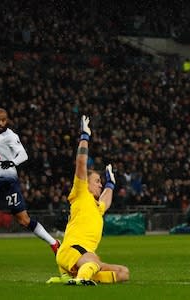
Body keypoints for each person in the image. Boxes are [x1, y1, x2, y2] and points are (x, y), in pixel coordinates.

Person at [47, 115, 129, 285]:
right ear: (87, 183)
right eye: (97, 182)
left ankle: (73, 278)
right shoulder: (80, 193)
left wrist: (111, 184)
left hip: (81, 254)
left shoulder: (96, 206)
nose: (100, 186)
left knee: (123, 272)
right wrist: (85, 136)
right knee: (93, 262)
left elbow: (106, 200)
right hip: (73, 250)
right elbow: (81, 163)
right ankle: (82, 280)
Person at [0, 108, 60, 254]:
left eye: (3, 120)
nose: (0, 123)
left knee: (24, 220)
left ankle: (54, 243)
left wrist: (12, 162)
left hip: (8, 183)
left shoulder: (10, 136)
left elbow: (23, 154)